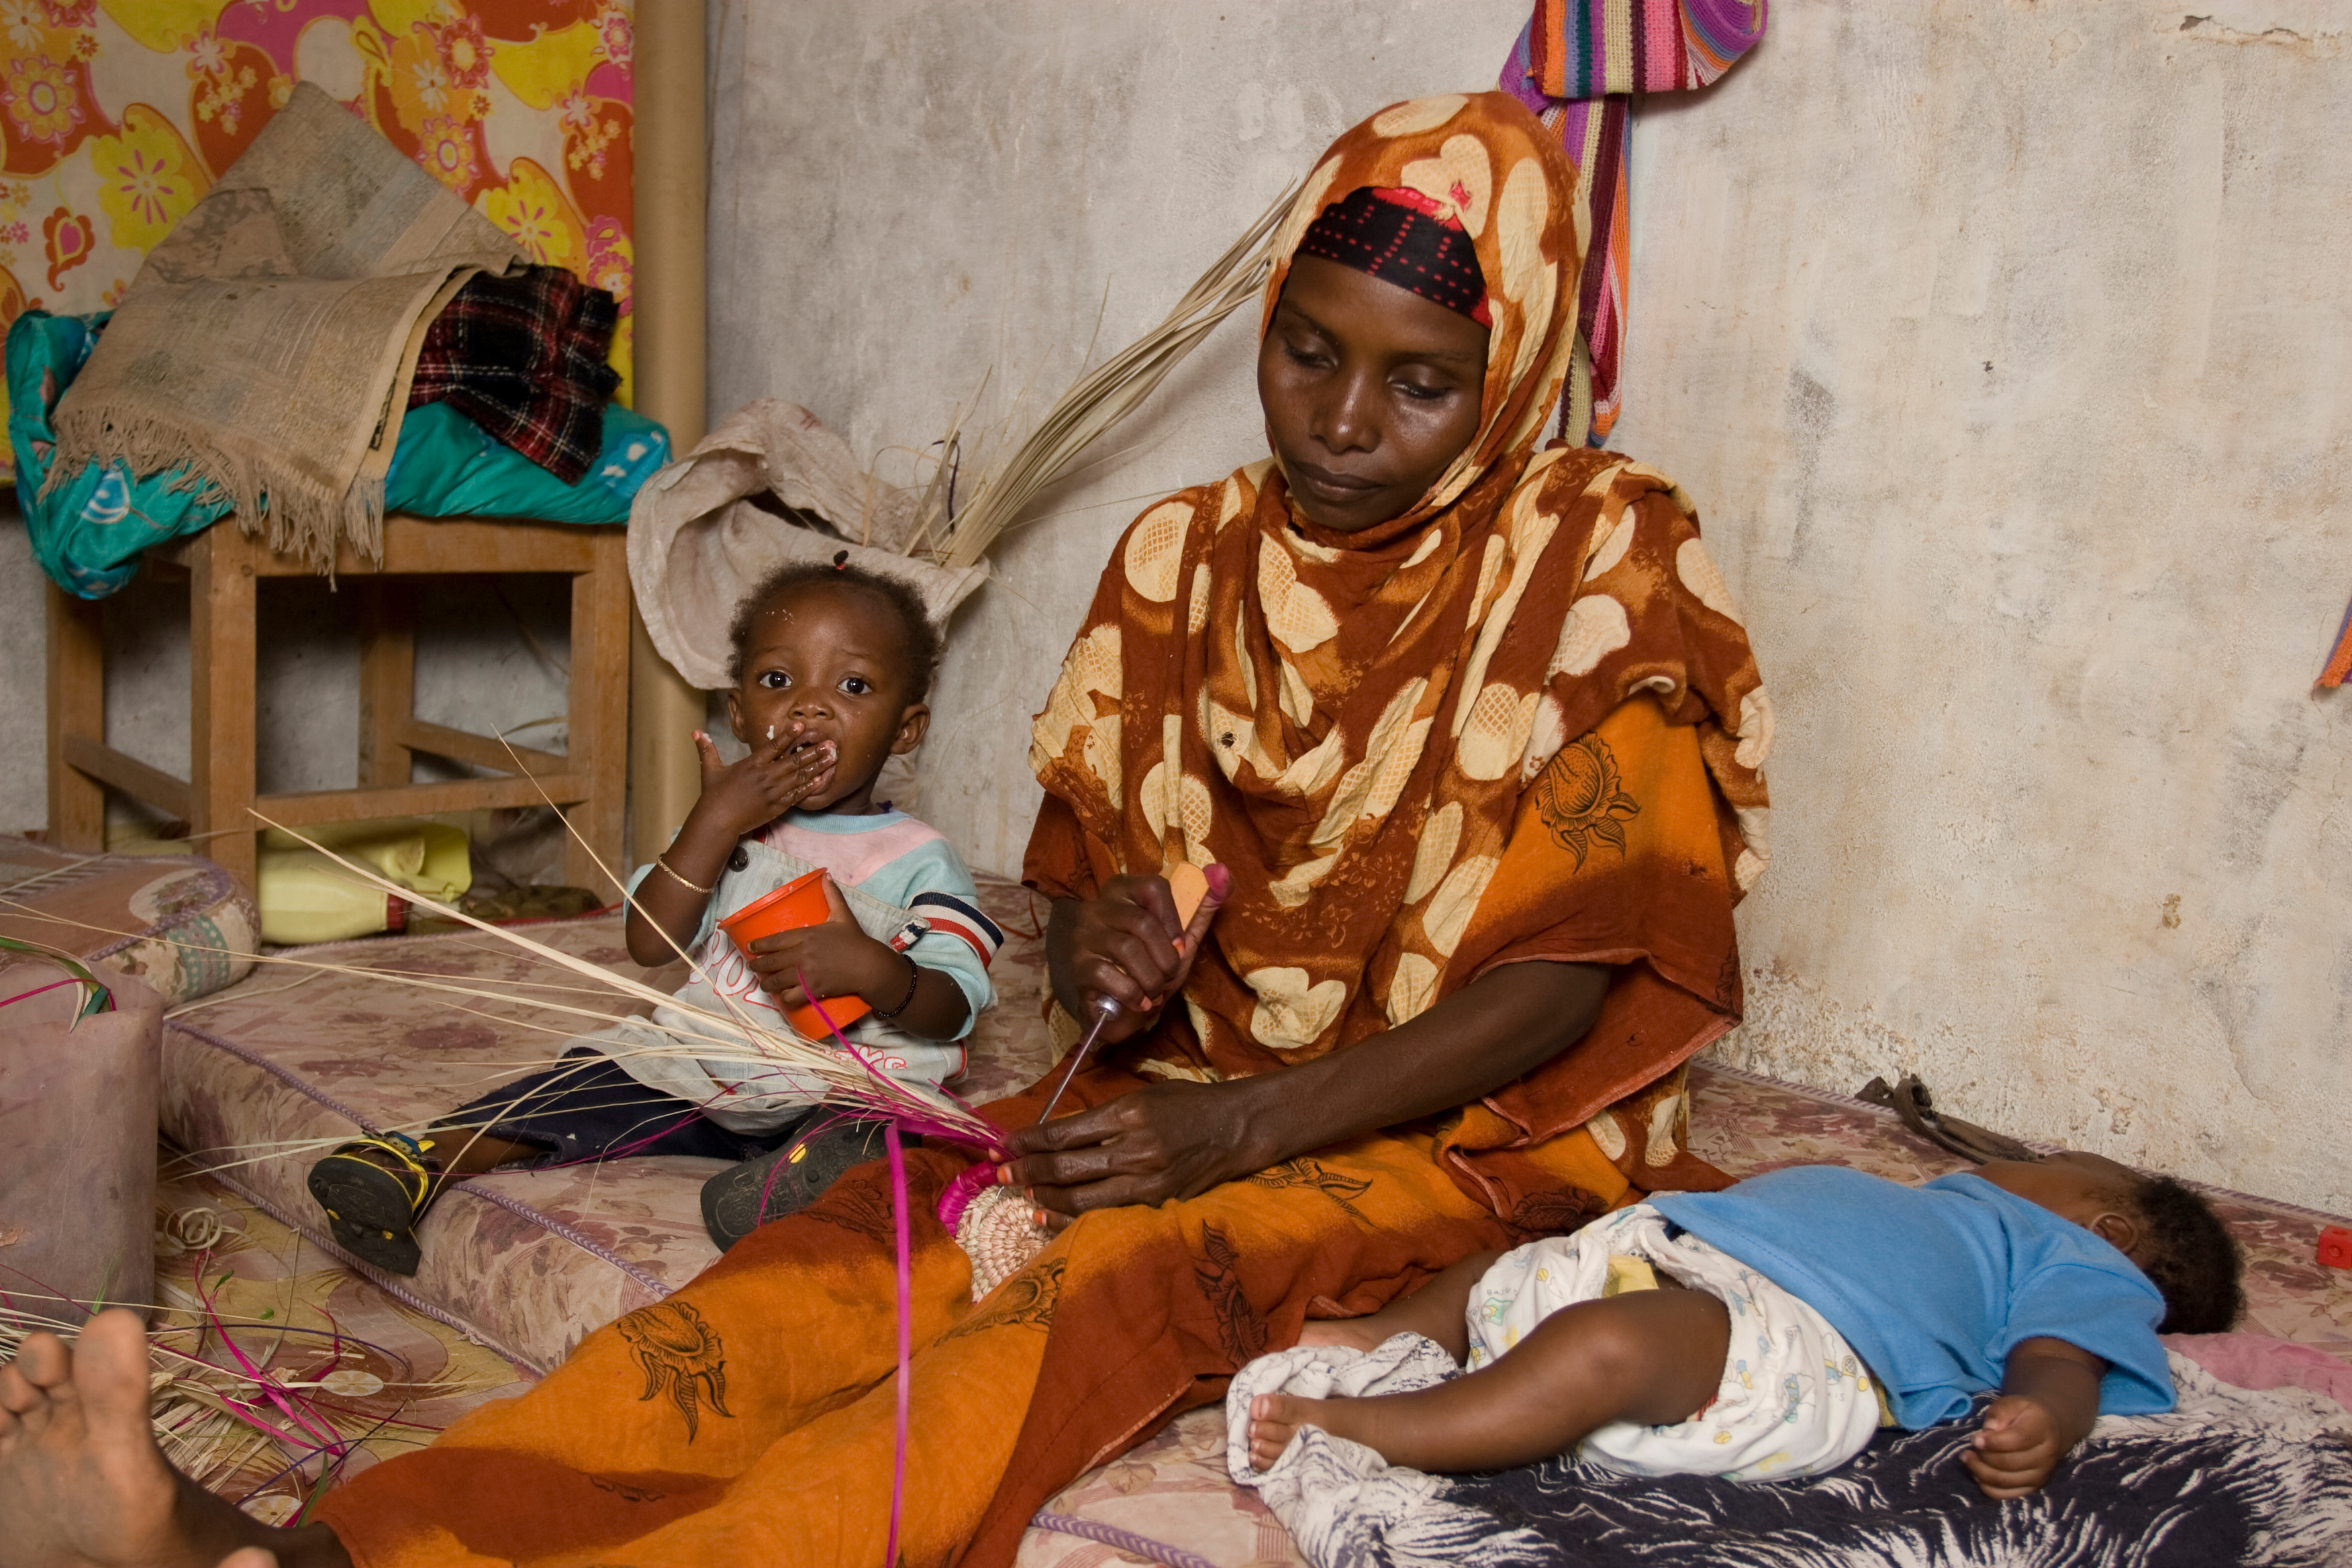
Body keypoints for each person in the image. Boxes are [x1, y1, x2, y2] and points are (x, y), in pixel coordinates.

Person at [0, 91, 1773, 1568]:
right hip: (1186, 1098)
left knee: (1091, 1304)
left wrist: (1244, 1128)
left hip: (1468, 1148)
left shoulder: (1600, 561)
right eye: (1307, 352)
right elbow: (1076, 906)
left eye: (1418, 382)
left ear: (1514, 369)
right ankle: (313, 1552)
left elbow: (1575, 971)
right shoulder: (1188, 554)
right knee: (838, 1263)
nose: (1340, 421)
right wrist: (1113, 955)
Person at [303, 557, 1004, 1271]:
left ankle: (785, 1189)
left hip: (844, 1086)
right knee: (596, 1077)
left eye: (852, 686)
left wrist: (875, 969)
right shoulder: (730, 828)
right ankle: (423, 1156)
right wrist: (714, 819)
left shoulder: (921, 860)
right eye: (777, 681)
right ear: (737, 714)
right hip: (705, 1076)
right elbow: (649, 941)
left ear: (907, 727)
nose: (808, 708)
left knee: (894, 1133)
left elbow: (952, 1008)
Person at [1240, 1152, 2244, 1497]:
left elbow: (2064, 1355)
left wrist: (2046, 1417)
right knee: (1498, 1270)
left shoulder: (2080, 1260)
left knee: (1613, 1349)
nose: (2024, 1162)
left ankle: (1384, 1428)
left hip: (1796, 1344)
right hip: (1681, 1250)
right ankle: (1390, 1336)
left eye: (2067, 1165)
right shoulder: (1947, 1204)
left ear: (2105, 1219)